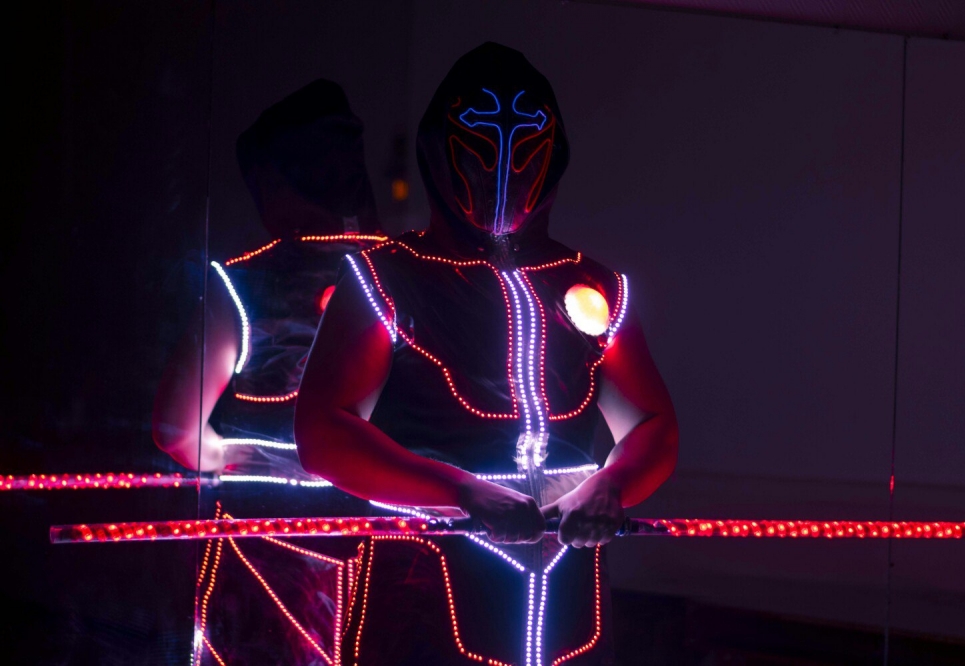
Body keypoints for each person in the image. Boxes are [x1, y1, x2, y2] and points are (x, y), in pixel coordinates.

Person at [296, 43, 678, 665]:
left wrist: (612, 484)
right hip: (423, 583)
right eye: (477, 144)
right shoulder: (384, 276)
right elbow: (322, 432)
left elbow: (654, 424)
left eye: (525, 142)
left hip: (567, 588)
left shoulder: (595, 284)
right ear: (439, 151)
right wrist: (460, 491)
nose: (501, 172)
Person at [152, 80, 384, 664]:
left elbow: (175, 429)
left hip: (267, 552)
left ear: (275, 178)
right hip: (394, 548)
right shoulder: (406, 274)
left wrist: (235, 455)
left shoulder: (243, 283)